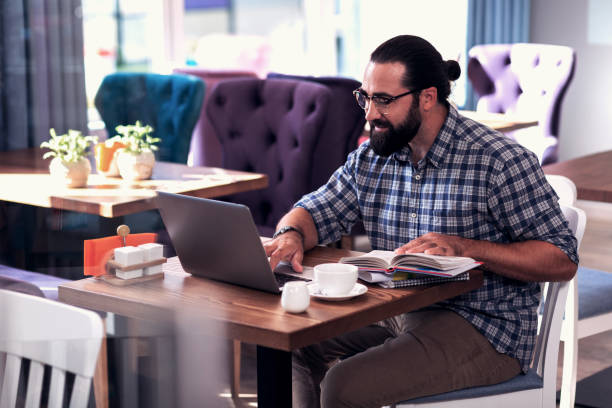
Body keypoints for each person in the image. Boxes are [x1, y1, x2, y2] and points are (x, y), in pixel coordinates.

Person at [263, 35, 578, 408]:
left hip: (484, 327)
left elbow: (561, 258)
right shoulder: (374, 156)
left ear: (427, 98)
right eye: (365, 97)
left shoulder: (499, 161)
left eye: (384, 100)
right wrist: (290, 233)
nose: (369, 114)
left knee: (343, 386)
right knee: (288, 345)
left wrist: (466, 248)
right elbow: (317, 209)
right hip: (396, 311)